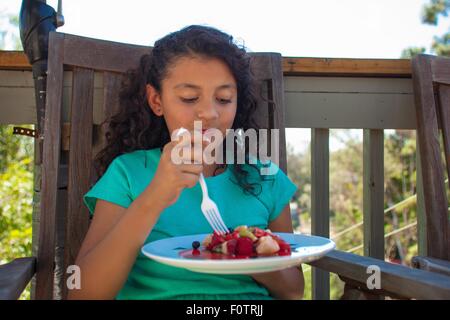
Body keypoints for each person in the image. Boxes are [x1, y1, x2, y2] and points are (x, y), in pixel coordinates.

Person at [68, 25, 304, 300]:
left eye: (224, 99)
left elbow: (294, 291)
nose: (209, 112)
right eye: (190, 98)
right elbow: (82, 292)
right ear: (157, 101)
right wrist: (155, 196)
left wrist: (245, 248)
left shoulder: (265, 177)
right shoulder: (128, 174)